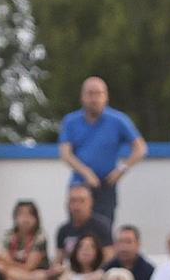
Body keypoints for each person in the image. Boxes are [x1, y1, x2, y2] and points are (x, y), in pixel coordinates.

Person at [57, 77, 144, 224]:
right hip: (79, 186)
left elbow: (140, 148)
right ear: (82, 96)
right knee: (76, 232)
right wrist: (86, 173)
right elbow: (65, 153)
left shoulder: (118, 120)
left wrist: (121, 169)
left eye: (98, 93)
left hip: (106, 185)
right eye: (90, 94)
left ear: (106, 96)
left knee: (104, 232)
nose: (94, 99)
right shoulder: (71, 121)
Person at [0, 200, 52, 280]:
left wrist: (6, 262)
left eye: (30, 215)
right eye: (21, 215)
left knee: (2, 268)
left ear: (36, 218)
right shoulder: (9, 235)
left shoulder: (40, 237)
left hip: (35, 275)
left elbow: (29, 267)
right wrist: (4, 262)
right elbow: (2, 259)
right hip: (16, 276)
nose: (25, 219)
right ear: (15, 217)